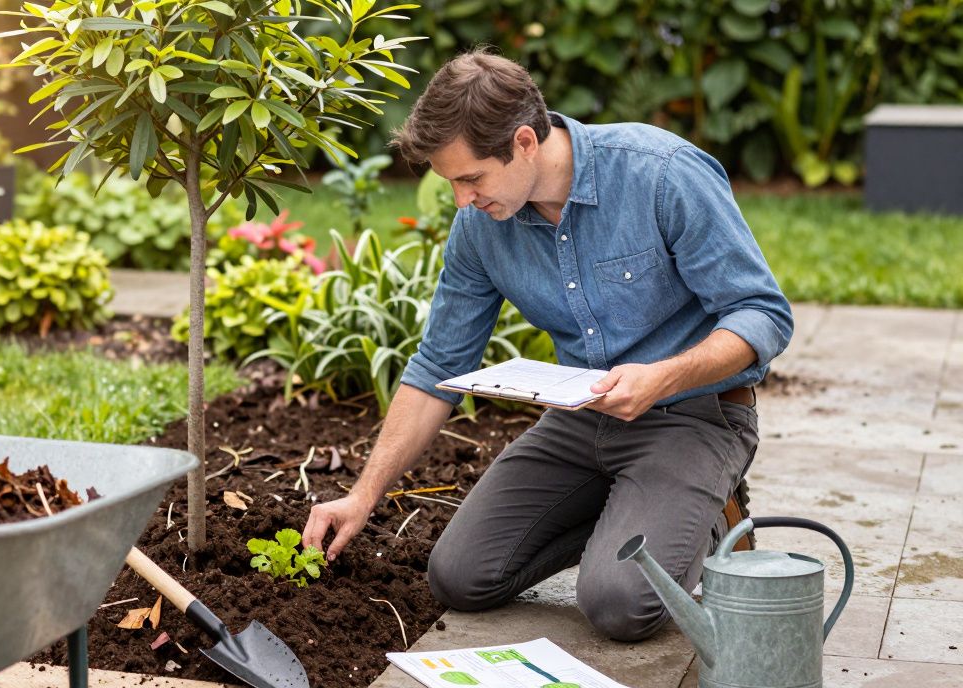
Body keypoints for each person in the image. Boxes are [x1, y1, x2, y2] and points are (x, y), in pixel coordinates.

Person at [301, 50, 793, 642]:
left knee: (620, 606)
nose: (461, 200)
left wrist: (662, 377)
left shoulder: (660, 173)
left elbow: (762, 314)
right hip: (583, 417)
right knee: (459, 576)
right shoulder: (481, 225)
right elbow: (438, 363)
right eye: (451, 182)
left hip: (695, 415)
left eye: (471, 178)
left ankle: (715, 514)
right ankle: (632, 513)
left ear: (526, 141)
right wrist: (363, 495)